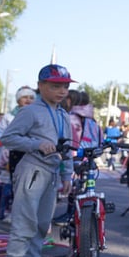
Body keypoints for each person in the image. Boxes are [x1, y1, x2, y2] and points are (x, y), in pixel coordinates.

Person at [0, 64, 76, 257]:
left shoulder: (63, 114)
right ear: (41, 86)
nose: (61, 91)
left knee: (42, 222)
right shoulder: (30, 111)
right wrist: (36, 144)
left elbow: (67, 148)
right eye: (55, 86)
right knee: (25, 219)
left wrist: (67, 174)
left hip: (51, 172)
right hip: (32, 169)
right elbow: (8, 137)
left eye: (64, 87)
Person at [53, 90, 103, 225]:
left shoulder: (72, 117)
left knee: (73, 188)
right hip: (90, 155)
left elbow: (70, 138)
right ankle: (80, 216)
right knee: (84, 189)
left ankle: (71, 215)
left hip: (76, 155)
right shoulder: (91, 119)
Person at [0, 86, 36, 176]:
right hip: (13, 152)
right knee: (15, 179)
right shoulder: (8, 116)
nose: (28, 100)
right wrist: (8, 143)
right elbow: (0, 133)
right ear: (18, 100)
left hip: (32, 152)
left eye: (31, 98)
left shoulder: (38, 116)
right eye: (25, 97)